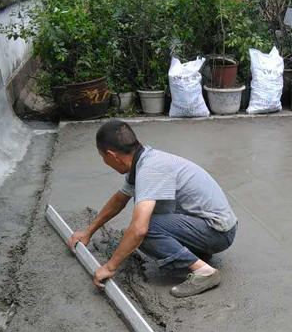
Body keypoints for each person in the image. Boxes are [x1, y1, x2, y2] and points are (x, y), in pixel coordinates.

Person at [68, 120, 238, 298]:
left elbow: (140, 229)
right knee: (147, 217)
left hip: (218, 233)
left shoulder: (150, 170)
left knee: (144, 230)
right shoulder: (143, 160)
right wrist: (88, 231)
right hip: (209, 225)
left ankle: (205, 272)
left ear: (112, 155)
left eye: (102, 156)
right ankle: (197, 252)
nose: (104, 161)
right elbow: (119, 200)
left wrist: (109, 267)